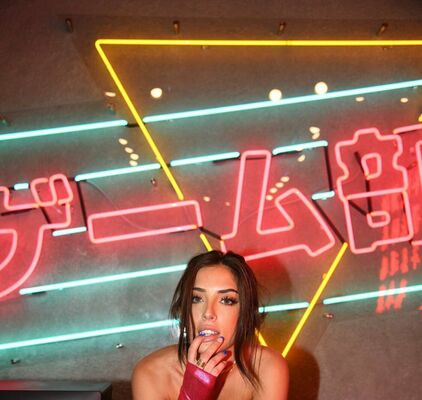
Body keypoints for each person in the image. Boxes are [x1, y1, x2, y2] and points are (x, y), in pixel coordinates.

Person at [132, 250, 289, 399]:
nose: (208, 313)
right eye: (196, 298)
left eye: (227, 300)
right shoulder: (152, 373)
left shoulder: (267, 368)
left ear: (246, 311)